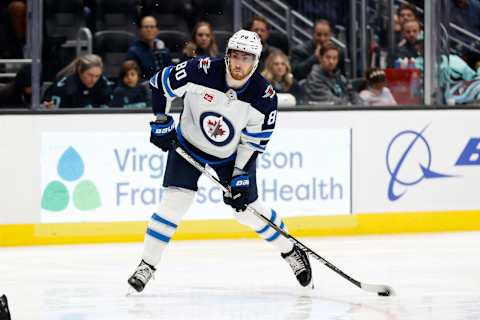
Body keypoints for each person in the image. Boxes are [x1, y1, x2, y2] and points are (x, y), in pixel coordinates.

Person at [127, 29, 312, 293]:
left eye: (246, 58)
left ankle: (291, 250)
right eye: (235, 56)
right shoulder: (199, 70)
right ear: (226, 55)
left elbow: (253, 142)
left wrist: (240, 175)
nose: (239, 64)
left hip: (230, 156)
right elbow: (159, 84)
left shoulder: (264, 97)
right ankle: (147, 265)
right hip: (187, 145)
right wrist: (160, 121)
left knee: (248, 211)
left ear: (256, 61)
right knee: (174, 203)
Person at [42, 54, 112, 109]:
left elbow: (109, 107)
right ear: (80, 71)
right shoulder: (65, 87)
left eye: (97, 76)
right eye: (90, 75)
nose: (93, 80)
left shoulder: (103, 83)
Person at [126, 16, 172, 80]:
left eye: (152, 27)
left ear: (157, 30)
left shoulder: (164, 50)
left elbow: (171, 72)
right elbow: (134, 78)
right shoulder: (133, 52)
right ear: (140, 30)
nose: (149, 30)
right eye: (146, 27)